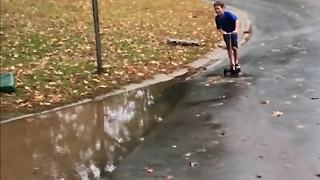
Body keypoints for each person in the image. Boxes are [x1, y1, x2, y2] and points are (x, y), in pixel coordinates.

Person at [214, 1, 240, 72]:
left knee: (234, 48)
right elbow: (219, 28)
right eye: (216, 9)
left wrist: (236, 29)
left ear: (223, 8)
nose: (217, 11)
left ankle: (236, 61)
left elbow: (236, 20)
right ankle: (232, 63)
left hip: (233, 32)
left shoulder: (228, 15)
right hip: (226, 33)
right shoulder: (217, 18)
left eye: (218, 9)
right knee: (229, 48)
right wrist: (223, 32)